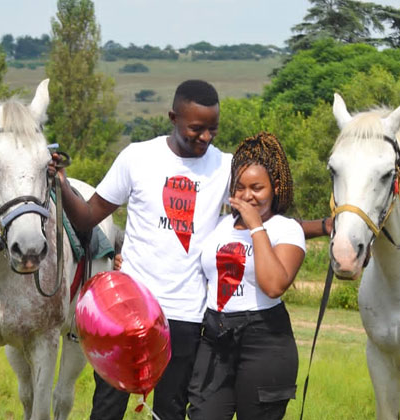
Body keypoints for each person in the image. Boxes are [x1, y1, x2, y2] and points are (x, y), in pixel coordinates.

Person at [48, 80, 331, 420]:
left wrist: (326, 227)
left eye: (213, 129)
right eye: (197, 129)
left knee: (170, 410)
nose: (206, 137)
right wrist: (61, 183)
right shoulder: (137, 158)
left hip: (187, 315)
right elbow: (87, 216)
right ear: (173, 117)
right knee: (107, 408)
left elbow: (267, 218)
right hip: (130, 311)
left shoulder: (227, 168)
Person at [187, 132, 305, 420]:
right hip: (215, 336)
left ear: (275, 187)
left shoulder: (286, 230)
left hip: (264, 338)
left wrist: (255, 226)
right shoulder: (217, 225)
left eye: (257, 187)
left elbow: (274, 285)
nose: (247, 195)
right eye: (240, 187)